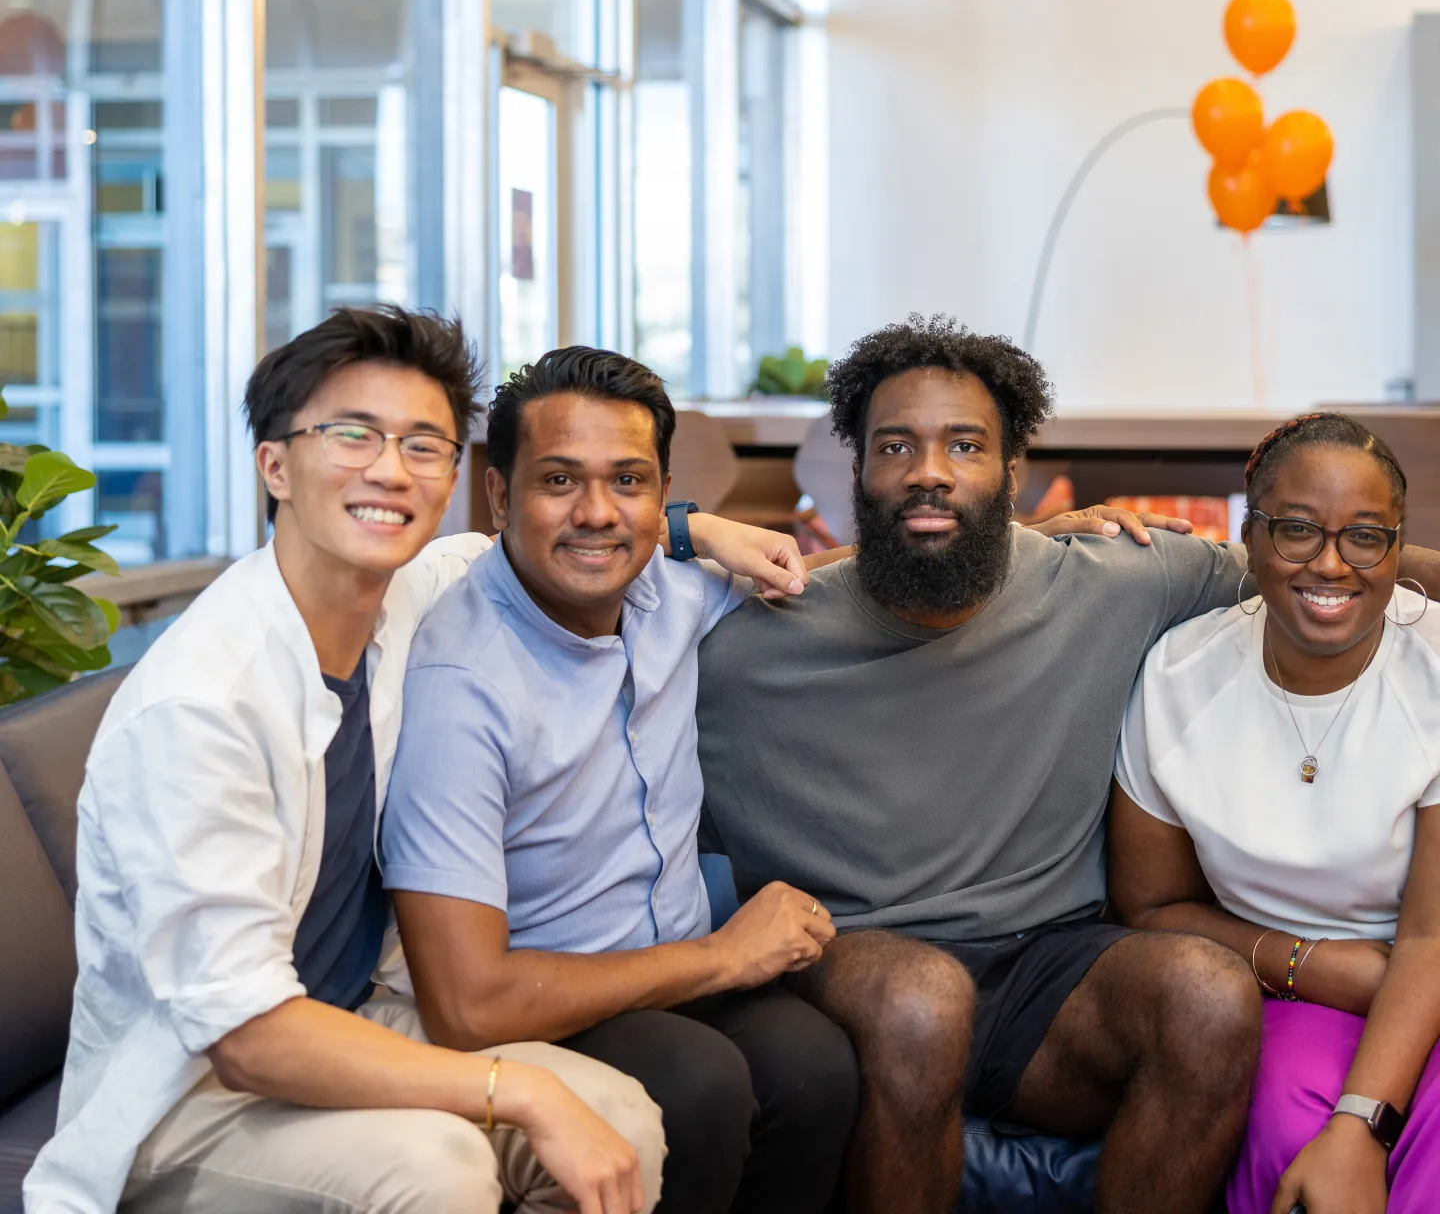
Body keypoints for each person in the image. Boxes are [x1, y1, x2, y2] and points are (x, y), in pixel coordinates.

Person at [27, 308, 800, 1214]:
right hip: (197, 1091)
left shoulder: (404, 593)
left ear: (456, 479)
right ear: (275, 464)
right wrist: (516, 1089)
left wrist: (700, 530)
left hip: (362, 1010)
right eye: (352, 435)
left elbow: (571, 537)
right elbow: (244, 1033)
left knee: (620, 1117)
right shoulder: (202, 707)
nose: (390, 469)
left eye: (423, 444)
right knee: (437, 1169)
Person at [693, 316, 1440, 1214]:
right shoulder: (739, 645)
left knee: (1206, 991)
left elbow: (1318, 565)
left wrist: (1405, 569)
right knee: (921, 1001)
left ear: (1012, 474)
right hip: (852, 960)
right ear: (857, 469)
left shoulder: (1117, 578)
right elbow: (553, 569)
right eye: (897, 446)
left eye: (964, 445)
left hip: (1047, 971)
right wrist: (696, 528)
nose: (930, 468)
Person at [380, 346, 862, 1214]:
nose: (597, 513)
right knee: (701, 1085)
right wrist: (720, 958)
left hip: (673, 967)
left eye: (628, 482)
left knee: (817, 1064)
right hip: (550, 998)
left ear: (663, 489)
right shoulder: (461, 683)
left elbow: (823, 580)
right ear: (498, 495)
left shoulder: (669, 592)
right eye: (558, 481)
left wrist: (1033, 542)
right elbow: (464, 1005)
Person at [1110, 412, 1440, 1214]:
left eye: (1366, 537)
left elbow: (1432, 936)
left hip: (1427, 979)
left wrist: (1361, 1124)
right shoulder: (1178, 677)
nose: (1332, 565)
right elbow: (1151, 907)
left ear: (1397, 548)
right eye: (1296, 531)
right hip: (1283, 992)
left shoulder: (1434, 669)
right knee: (1288, 1140)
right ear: (1248, 540)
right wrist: (1308, 964)